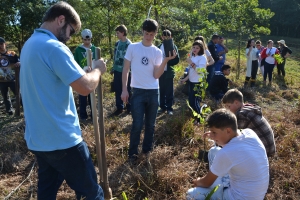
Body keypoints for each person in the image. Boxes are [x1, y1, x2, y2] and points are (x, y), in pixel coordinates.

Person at [20, 2, 107, 199]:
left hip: (39, 140)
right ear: (61, 20)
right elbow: (85, 87)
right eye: (71, 30)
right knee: (92, 193)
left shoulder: (30, 45)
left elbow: (51, 79)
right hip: (62, 140)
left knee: (47, 193)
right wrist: (98, 69)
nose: (70, 37)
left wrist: (82, 72)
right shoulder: (53, 47)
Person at [121, 19, 177, 163]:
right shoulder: (133, 48)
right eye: (146, 33)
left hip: (153, 91)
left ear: (156, 34)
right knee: (137, 124)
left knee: (150, 125)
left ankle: (146, 152)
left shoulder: (157, 51)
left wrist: (165, 60)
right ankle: (132, 154)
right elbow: (126, 69)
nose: (148, 37)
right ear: (142, 32)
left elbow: (156, 75)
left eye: (152, 34)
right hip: (137, 91)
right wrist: (124, 89)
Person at [186, 108, 269, 200]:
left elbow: (206, 183)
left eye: (214, 132)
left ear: (228, 131)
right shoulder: (250, 133)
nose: (212, 136)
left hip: (236, 197)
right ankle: (222, 182)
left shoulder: (226, 153)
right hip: (256, 194)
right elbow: (232, 143)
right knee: (214, 150)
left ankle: (220, 191)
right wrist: (215, 134)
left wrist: (197, 181)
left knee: (190, 194)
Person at [222, 89, 276, 157]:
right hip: (269, 149)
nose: (227, 109)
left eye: (228, 106)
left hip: (264, 153)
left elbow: (233, 138)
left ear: (236, 103)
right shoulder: (248, 108)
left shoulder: (242, 115)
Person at [180, 40, 207, 124]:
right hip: (191, 82)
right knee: (191, 101)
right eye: (194, 47)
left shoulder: (202, 58)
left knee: (194, 101)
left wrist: (191, 63)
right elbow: (191, 71)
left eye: (197, 48)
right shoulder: (193, 57)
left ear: (201, 49)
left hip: (198, 83)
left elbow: (200, 71)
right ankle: (197, 117)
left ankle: (200, 119)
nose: (195, 49)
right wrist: (185, 79)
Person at [74, 29, 95, 120]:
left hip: (91, 76)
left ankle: (93, 114)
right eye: (85, 40)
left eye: (88, 39)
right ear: (82, 39)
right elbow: (75, 62)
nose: (87, 41)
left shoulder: (94, 49)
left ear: (91, 39)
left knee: (92, 97)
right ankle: (83, 115)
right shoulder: (78, 50)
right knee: (82, 96)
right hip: (82, 76)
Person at [157, 29, 180, 115]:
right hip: (160, 72)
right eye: (164, 36)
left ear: (171, 37)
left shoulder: (173, 47)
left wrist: (169, 60)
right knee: (161, 90)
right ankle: (162, 107)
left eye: (168, 36)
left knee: (169, 91)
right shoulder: (159, 47)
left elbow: (176, 60)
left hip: (168, 72)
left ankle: (169, 108)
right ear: (161, 37)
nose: (166, 38)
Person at [112, 25, 132, 115]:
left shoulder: (130, 45)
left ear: (123, 33)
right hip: (117, 70)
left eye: (118, 33)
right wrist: (113, 68)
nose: (117, 34)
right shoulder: (117, 44)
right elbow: (115, 56)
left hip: (126, 71)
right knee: (117, 89)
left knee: (127, 89)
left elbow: (132, 59)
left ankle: (129, 107)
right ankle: (119, 107)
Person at [0, 37, 20, 115]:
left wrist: (19, 63)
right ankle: (9, 110)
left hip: (12, 78)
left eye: (1, 44)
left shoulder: (12, 53)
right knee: (5, 96)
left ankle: (23, 107)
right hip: (1, 80)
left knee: (17, 93)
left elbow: (18, 61)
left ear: (5, 44)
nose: (0, 46)